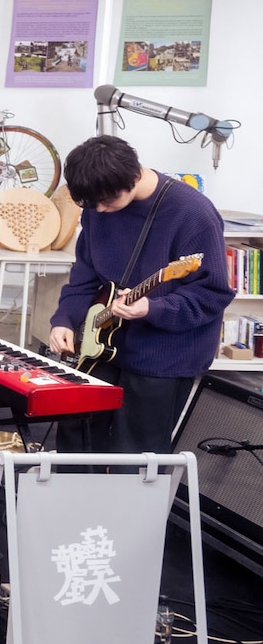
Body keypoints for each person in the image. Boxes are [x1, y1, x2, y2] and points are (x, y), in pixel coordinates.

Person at [47, 136, 232, 455]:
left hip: (164, 354)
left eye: (106, 202)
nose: (100, 211)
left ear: (133, 176)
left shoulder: (193, 214)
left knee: (134, 455)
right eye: (92, 205)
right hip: (103, 343)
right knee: (75, 434)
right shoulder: (97, 206)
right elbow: (86, 273)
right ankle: (73, 504)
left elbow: (212, 294)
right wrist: (65, 319)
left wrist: (153, 308)